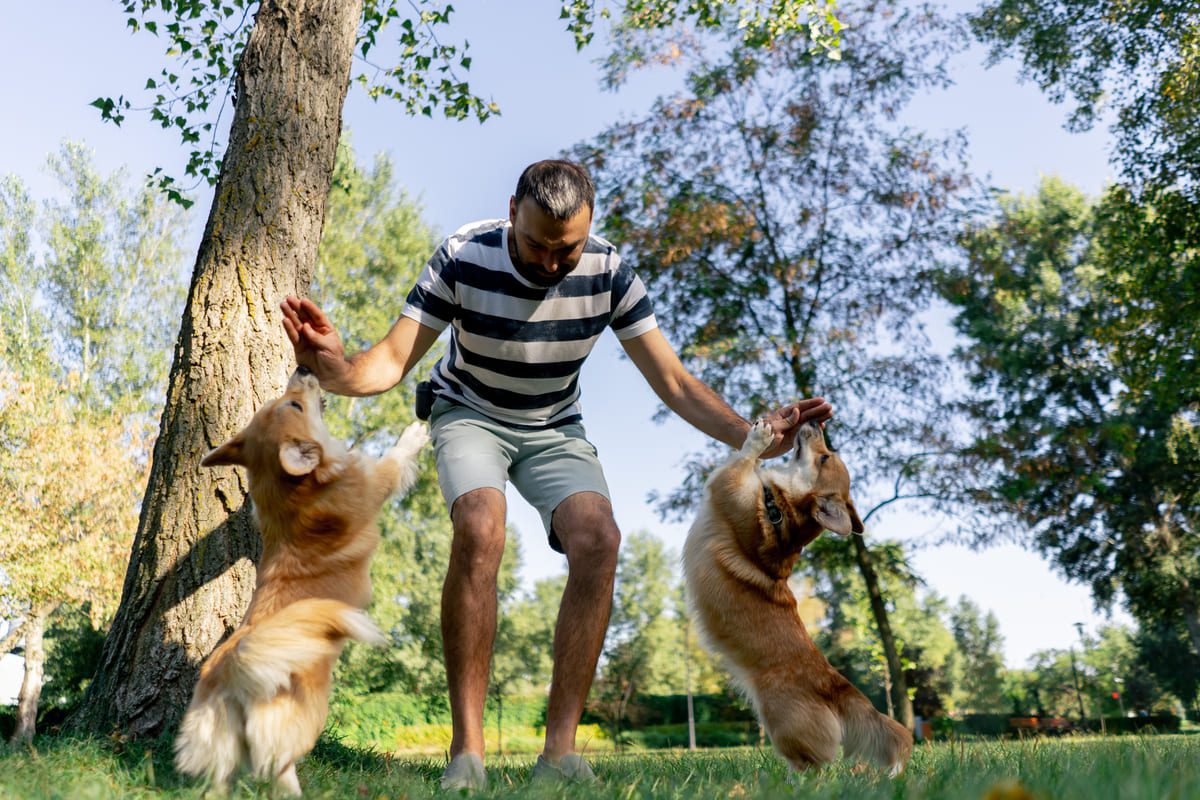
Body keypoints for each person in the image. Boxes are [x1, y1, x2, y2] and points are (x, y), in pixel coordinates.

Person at [280, 159, 832, 790]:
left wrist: (754, 439)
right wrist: (334, 369)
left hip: (553, 426)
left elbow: (675, 383)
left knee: (600, 540)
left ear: (588, 228)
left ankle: (560, 752)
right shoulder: (464, 255)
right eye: (537, 245)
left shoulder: (610, 272)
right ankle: (467, 754)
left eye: (564, 249)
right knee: (482, 527)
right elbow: (386, 364)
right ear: (513, 210)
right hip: (469, 413)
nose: (549, 263)